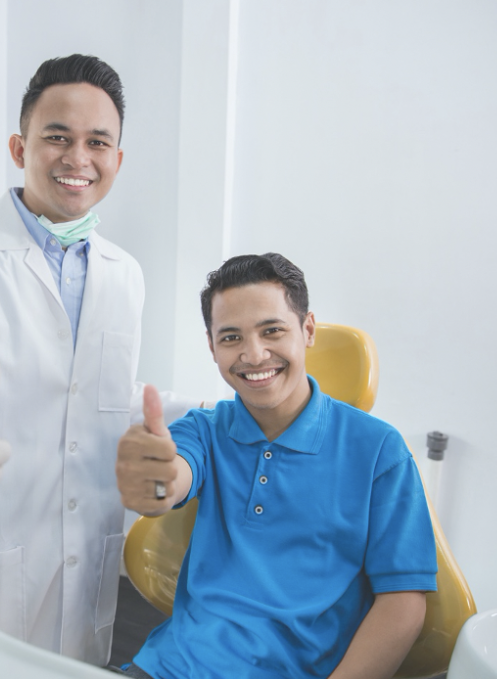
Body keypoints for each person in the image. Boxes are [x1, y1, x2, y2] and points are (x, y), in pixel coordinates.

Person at [0, 54, 198, 666]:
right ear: (20, 147)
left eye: (97, 142)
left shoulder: (123, 274)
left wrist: (217, 413)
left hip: (83, 561)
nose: (78, 158)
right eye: (58, 137)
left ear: (117, 160)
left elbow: (98, 395)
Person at [115, 253, 438, 678]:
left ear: (307, 330)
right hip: (171, 666)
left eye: (272, 331)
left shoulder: (379, 450)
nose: (254, 354)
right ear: (212, 347)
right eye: (231, 338)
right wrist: (154, 483)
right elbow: (173, 477)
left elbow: (404, 602)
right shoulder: (206, 429)